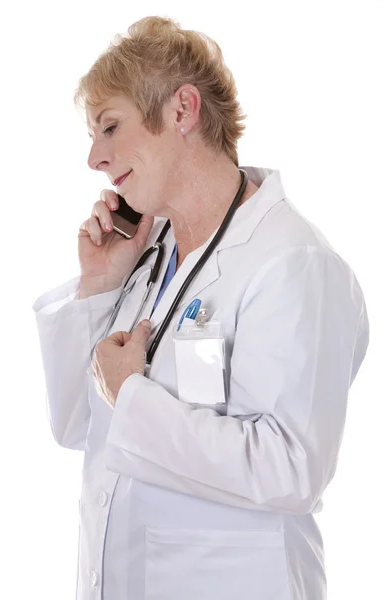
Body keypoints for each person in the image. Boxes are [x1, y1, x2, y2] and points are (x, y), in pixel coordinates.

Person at [32, 15, 369, 600]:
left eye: (109, 127)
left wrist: (131, 395)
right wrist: (100, 287)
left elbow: (292, 470)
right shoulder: (148, 254)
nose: (94, 157)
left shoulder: (292, 263)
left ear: (182, 111)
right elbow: (78, 428)